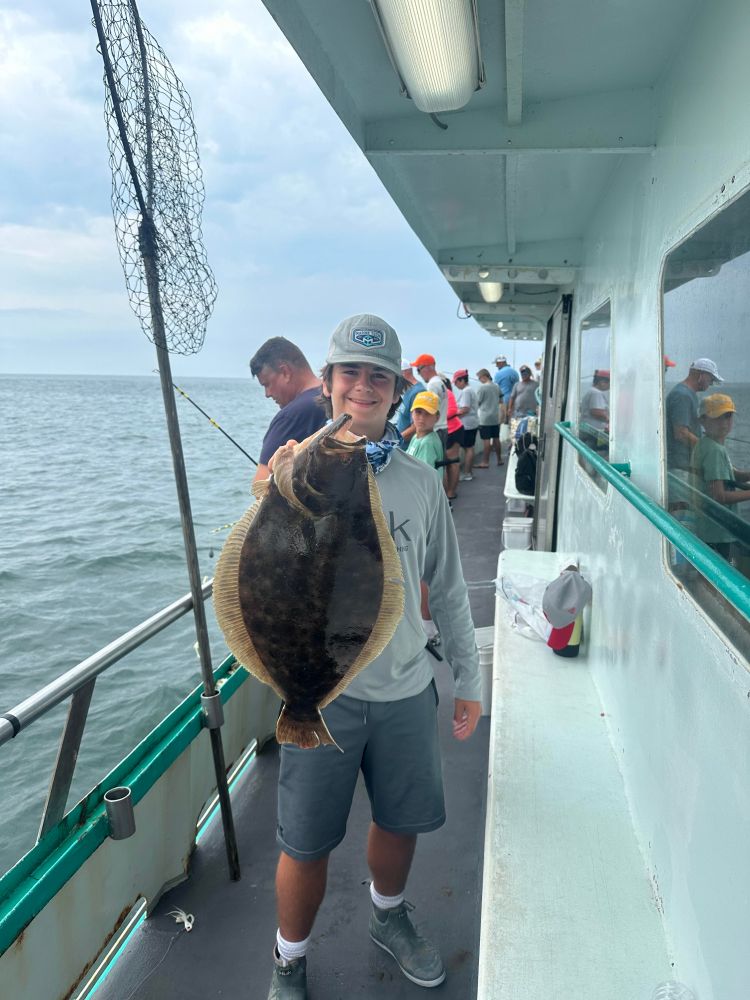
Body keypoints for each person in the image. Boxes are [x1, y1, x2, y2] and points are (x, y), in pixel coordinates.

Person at [265, 314, 482, 1000]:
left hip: (406, 687)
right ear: (326, 385)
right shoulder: (296, 466)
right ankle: (288, 958)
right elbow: (258, 555)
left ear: (396, 391)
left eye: (378, 377)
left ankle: (389, 916)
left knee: (400, 818)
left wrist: (469, 678)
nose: (364, 387)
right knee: (304, 843)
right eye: (349, 374)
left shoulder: (419, 482)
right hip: (319, 694)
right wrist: (271, 482)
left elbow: (446, 584)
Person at [249, 337, 326, 483]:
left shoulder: (291, 416)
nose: (267, 394)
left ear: (285, 372)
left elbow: (260, 488)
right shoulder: (335, 398)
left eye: (267, 384)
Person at [691, 394, 750, 559]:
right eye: (717, 418)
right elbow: (720, 495)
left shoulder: (706, 443)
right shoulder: (715, 450)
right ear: (702, 420)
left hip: (706, 526)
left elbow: (730, 474)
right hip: (718, 532)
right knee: (725, 569)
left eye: (728, 416)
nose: (724, 423)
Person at [665, 357, 723, 474]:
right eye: (711, 379)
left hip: (683, 464)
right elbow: (681, 433)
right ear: (701, 375)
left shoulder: (687, 393)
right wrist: (709, 449)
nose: (711, 383)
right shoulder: (682, 395)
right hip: (679, 467)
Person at [411, 353, 448, 450]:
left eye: (418, 370)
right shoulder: (440, 382)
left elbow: (428, 409)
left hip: (436, 429)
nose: (418, 374)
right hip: (443, 427)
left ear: (426, 368)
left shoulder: (432, 385)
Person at [406, 390, 443, 472]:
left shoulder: (427, 443)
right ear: (412, 414)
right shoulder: (416, 437)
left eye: (428, 413)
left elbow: (422, 476)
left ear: (437, 417)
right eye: (418, 412)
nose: (422, 418)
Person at [474, 368, 503, 468]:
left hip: (484, 418)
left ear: (484, 376)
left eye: (479, 378)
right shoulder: (496, 386)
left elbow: (477, 402)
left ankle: (485, 462)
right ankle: (499, 459)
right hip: (495, 417)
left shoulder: (482, 388)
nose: (479, 380)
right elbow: (501, 399)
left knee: (486, 440)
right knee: (496, 439)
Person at [453, 370, 479, 481]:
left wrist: (451, 415)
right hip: (472, 422)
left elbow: (465, 409)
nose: (455, 384)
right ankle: (469, 472)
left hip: (467, 424)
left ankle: (467, 473)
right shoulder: (470, 390)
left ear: (462, 380)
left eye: (456, 382)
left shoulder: (466, 391)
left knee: (468, 448)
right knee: (469, 448)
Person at [441, 375, 463, 501]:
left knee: (453, 462)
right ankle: (449, 490)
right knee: (449, 463)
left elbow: (453, 410)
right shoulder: (445, 392)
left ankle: (451, 492)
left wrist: (437, 417)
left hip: (453, 430)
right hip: (449, 430)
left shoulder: (447, 393)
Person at [579, 369, 610, 451]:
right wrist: (609, 420)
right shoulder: (596, 393)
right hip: (592, 433)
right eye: (609, 383)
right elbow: (596, 412)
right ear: (602, 382)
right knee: (607, 448)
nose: (609, 386)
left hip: (588, 430)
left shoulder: (591, 391)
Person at [394, 359, 422, 449]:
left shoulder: (418, 392)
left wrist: (394, 442)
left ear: (404, 373)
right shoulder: (407, 391)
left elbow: (416, 426)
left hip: (407, 448)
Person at [492, 355, 519, 420]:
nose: (496, 366)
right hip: (515, 401)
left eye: (497, 364)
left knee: (503, 423)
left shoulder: (498, 374)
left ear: (502, 363)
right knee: (512, 422)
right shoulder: (515, 373)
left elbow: (495, 388)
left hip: (503, 402)